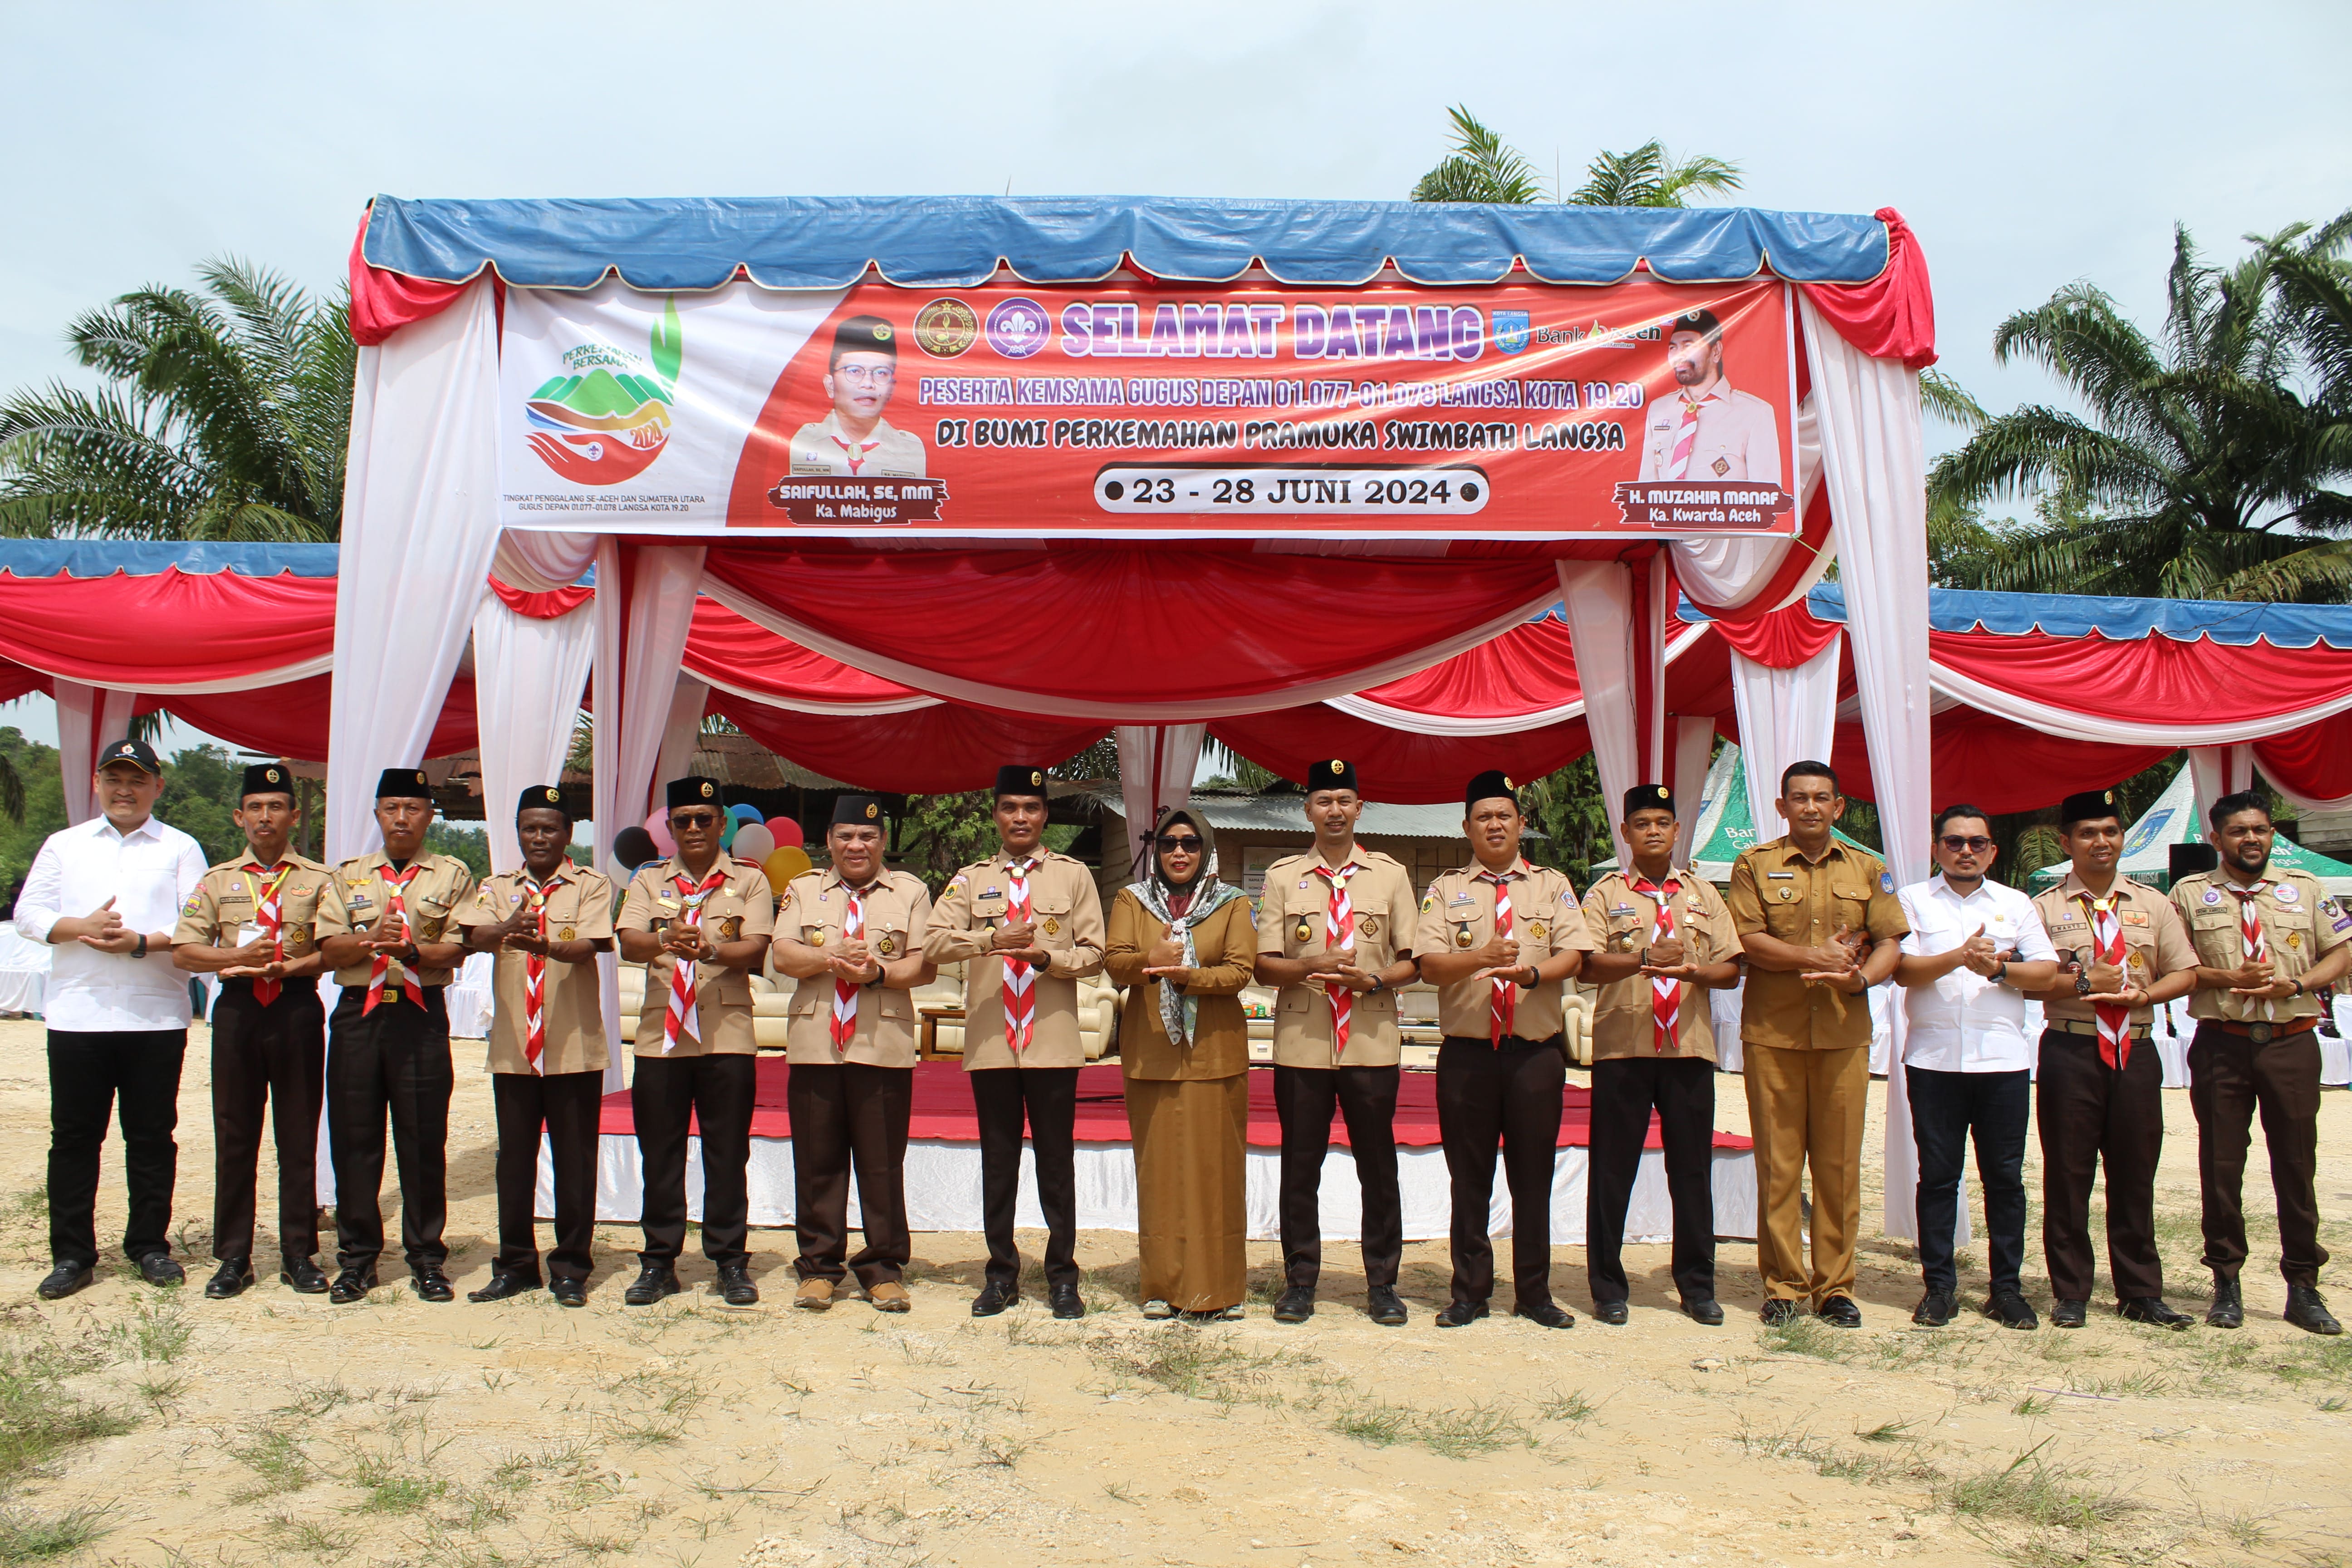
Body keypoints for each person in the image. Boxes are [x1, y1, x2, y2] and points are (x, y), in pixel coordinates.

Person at [15, 739, 207, 1300]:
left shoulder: (180, 847)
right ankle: (72, 1254)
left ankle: (149, 1245)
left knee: (151, 1137)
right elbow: (29, 913)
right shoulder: (65, 844)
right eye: (115, 779)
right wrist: (81, 928)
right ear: (97, 782)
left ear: (157, 787)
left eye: (137, 780)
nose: (125, 790)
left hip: (155, 1016)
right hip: (78, 1015)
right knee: (74, 1139)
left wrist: (138, 943)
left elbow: (198, 924)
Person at [1726, 760, 1907, 1326]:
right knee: (1779, 1167)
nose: (1810, 807)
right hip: (1774, 1036)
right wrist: (1814, 957)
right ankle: (1783, 1286)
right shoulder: (1754, 865)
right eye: (1798, 798)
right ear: (1781, 807)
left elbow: (1892, 942)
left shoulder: (1868, 868)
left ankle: (1835, 1288)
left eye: (1821, 798)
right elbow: (1750, 940)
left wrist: (1860, 978)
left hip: (1843, 1035)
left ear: (1838, 808)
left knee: (1837, 1168)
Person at [923, 766, 1107, 1319]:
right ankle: (1000, 1273)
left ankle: (1062, 1277)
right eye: (1009, 808)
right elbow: (932, 943)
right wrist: (989, 940)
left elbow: (1098, 952)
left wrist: (1050, 959)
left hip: (1051, 1043)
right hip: (993, 1042)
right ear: (997, 816)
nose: (1020, 818)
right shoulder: (969, 878)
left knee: (1056, 1163)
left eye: (1030, 807)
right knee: (998, 1162)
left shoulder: (1074, 877)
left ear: (1044, 814)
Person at [1416, 771, 1593, 1329]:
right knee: (1468, 1177)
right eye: (1483, 817)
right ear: (1466, 827)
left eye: (1504, 815)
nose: (1494, 825)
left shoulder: (1551, 884)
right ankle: (1469, 1292)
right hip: (1468, 1055)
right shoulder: (1446, 889)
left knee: (1532, 1175)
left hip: (1533, 1054)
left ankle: (1535, 1293)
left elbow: (1576, 952)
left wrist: (1535, 973)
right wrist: (1483, 956)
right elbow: (1430, 966)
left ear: (1521, 823)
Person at [2170, 790, 2350, 1336]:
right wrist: (2229, 980)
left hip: (2291, 1041)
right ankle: (2226, 1282)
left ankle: (2303, 1286)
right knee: (2222, 1165)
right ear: (2216, 839)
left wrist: (2299, 983)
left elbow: (2343, 951)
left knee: (2296, 1165)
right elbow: (2174, 964)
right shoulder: (2188, 895)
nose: (2252, 839)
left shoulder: (2307, 891)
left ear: (2272, 834)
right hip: (2222, 1041)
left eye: (2261, 830)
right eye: (2240, 831)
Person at [1253, 759, 1419, 1327]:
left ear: (1359, 809)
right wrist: (1311, 965)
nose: (1334, 810)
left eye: (1345, 800)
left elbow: (1412, 961)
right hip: (1303, 1042)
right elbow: (1263, 965)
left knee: (1379, 1167)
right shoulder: (1282, 877)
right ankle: (1300, 1282)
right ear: (1308, 811)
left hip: (1371, 1040)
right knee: (1302, 1166)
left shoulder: (1391, 876)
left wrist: (1372, 980)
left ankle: (1382, 1284)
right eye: (1324, 801)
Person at [2026, 788, 2200, 1329]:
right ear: (2066, 841)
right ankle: (2071, 1291)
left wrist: (2146, 996)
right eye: (2087, 833)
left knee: (2134, 1173)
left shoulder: (2155, 904)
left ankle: (2141, 1291)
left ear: (2122, 837)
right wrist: (2079, 980)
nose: (2101, 842)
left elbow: (2186, 971)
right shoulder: (2042, 908)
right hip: (2071, 1046)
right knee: (2068, 1173)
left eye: (2110, 831)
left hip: (2137, 1050)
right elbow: (2028, 985)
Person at [1575, 783, 1741, 1327]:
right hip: (1625, 1047)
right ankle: (1607, 1287)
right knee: (1612, 1170)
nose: (1652, 831)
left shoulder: (1702, 895)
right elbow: (1587, 966)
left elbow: (1730, 968)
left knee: (1691, 1170)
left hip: (1687, 1048)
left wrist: (1692, 970)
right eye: (1641, 823)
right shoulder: (1603, 895)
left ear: (1676, 832)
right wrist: (1643, 957)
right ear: (1625, 833)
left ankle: (1697, 1285)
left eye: (1662, 823)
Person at [170, 763, 337, 1299]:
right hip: (239, 1009)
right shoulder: (218, 881)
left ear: (294, 814)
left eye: (277, 807)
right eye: (256, 809)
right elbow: (183, 949)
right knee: (235, 1135)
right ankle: (233, 1257)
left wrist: (294, 965)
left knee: (297, 1134)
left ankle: (298, 1253)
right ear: (241, 817)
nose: (266, 817)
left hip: (295, 1007)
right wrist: (235, 955)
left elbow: (334, 949)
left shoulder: (319, 879)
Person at [1891, 804, 2060, 1330]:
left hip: (2002, 1061)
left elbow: (2047, 971)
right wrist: (1960, 957)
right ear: (1937, 848)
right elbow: (1902, 970)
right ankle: (1939, 1287)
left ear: (1993, 850)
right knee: (1939, 1178)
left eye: (1977, 843)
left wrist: (2001, 968)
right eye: (1955, 841)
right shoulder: (1913, 901)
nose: (1966, 851)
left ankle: (2005, 1290)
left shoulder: (2015, 903)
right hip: (1935, 1060)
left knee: (2005, 1180)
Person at [315, 768, 477, 1304]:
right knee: (355, 1140)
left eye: (413, 808)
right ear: (377, 814)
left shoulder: (451, 875)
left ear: (430, 815)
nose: (402, 818)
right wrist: (367, 938)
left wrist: (407, 950)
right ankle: (358, 1260)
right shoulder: (349, 876)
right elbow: (328, 951)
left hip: (419, 1015)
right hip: (358, 1016)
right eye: (391, 808)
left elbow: (457, 948)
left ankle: (427, 1259)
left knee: (423, 1140)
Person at [615, 777, 777, 1307]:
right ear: (669, 826)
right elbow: (631, 941)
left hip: (725, 1035)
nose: (692, 829)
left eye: (703, 819)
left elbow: (755, 946)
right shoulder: (648, 879)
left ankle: (730, 1261)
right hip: (662, 1036)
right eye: (681, 820)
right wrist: (666, 938)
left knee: (727, 1152)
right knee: (659, 1153)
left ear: (722, 823)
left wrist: (709, 950)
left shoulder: (748, 881)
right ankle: (659, 1262)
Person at [769, 794, 935, 1313]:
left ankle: (883, 1268)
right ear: (830, 843)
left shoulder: (910, 892)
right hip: (817, 1042)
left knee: (882, 1162)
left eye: (867, 837)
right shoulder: (803, 889)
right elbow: (781, 952)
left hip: (880, 1043)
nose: (856, 846)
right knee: (817, 1160)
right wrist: (828, 956)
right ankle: (820, 1268)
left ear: (882, 842)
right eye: (845, 837)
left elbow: (924, 965)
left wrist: (877, 974)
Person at [457, 786, 615, 1308]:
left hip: (572, 1045)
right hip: (515, 1048)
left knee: (574, 1160)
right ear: (518, 833)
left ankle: (571, 1268)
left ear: (569, 833)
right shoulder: (498, 888)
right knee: (515, 1161)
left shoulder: (592, 885)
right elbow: (472, 936)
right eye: (530, 828)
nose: (539, 837)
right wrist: (506, 928)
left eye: (550, 828)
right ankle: (516, 1264)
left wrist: (543, 944)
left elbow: (589, 945)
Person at [1104, 808, 1256, 1320]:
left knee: (1217, 1172)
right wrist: (1152, 959)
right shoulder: (1133, 899)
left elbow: (1240, 971)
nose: (1179, 853)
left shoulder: (1232, 903)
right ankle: (1162, 1288)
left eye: (1190, 844)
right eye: (1169, 843)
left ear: (1206, 850)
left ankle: (1221, 1290)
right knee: (1160, 1173)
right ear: (1157, 850)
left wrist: (1188, 974)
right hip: (1153, 1055)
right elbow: (1116, 962)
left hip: (1215, 1053)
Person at [1634, 308, 1783, 485]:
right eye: (1673, 347)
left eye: (1689, 346)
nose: (1679, 356)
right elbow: (1646, 490)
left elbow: (1766, 498)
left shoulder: (1755, 413)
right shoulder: (1659, 409)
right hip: (1667, 513)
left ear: (1716, 351)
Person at [788, 314, 927, 478]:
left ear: (892, 389)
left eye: (881, 373)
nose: (868, 384)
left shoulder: (909, 448)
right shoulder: (805, 441)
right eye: (854, 371)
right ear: (830, 385)